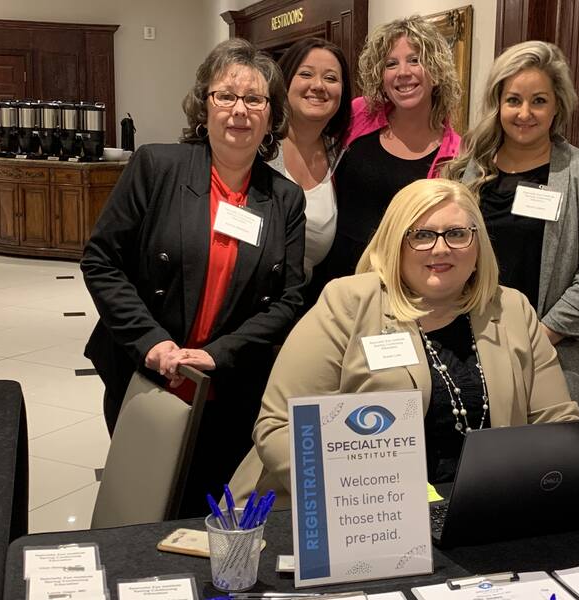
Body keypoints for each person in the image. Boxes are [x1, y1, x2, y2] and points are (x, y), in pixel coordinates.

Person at [229, 178, 579, 528]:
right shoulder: (347, 303)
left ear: (477, 245)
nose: (441, 248)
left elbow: (556, 422)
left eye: (457, 234)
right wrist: (363, 495)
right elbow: (279, 427)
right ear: (396, 243)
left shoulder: (512, 309)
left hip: (479, 514)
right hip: (352, 519)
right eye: (422, 235)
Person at [81, 38, 306, 517]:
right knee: (141, 507)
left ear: (271, 115)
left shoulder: (285, 198)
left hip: (228, 387)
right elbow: (102, 260)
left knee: (208, 510)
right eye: (226, 95)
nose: (239, 110)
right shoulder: (157, 166)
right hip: (145, 374)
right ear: (204, 106)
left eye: (255, 99)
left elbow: (290, 300)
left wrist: (218, 354)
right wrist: (151, 342)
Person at [444, 41, 579, 416]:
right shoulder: (466, 170)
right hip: (474, 351)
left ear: (557, 105)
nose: (525, 113)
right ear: (498, 104)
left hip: (559, 358)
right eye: (514, 100)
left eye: (538, 101)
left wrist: (536, 340)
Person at [317, 15, 463, 286]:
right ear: (381, 76)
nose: (402, 72)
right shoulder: (358, 114)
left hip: (399, 283)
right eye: (391, 64)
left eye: (415, 60)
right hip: (334, 275)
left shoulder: (455, 154)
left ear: (436, 70)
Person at [269, 38, 351, 305]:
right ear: (284, 82)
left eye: (331, 78)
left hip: (303, 305)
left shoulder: (341, 156)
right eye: (306, 74)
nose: (318, 85)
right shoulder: (258, 147)